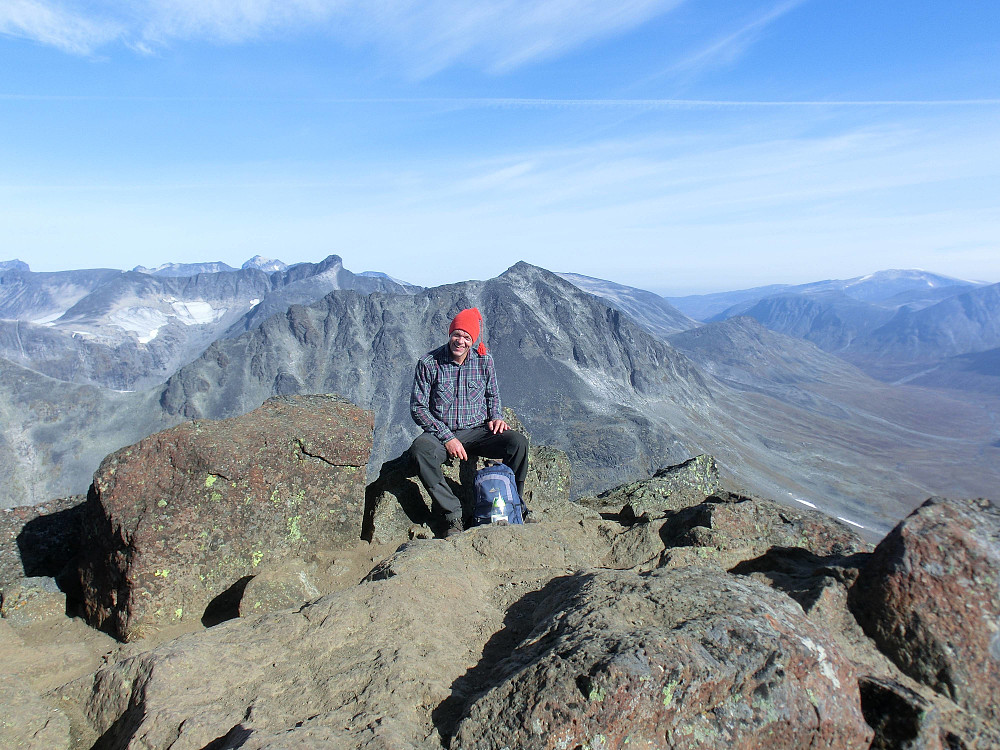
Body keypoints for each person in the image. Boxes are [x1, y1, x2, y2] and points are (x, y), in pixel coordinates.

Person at [408, 307, 528, 537]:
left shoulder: (484, 361)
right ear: (449, 333)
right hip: (442, 433)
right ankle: (452, 515)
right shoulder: (429, 363)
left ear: (473, 341)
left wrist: (496, 417)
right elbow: (418, 408)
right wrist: (447, 437)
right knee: (420, 450)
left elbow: (493, 394)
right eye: (457, 334)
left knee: (518, 443)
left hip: (479, 430)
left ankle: (514, 504)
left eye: (466, 337)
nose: (460, 341)